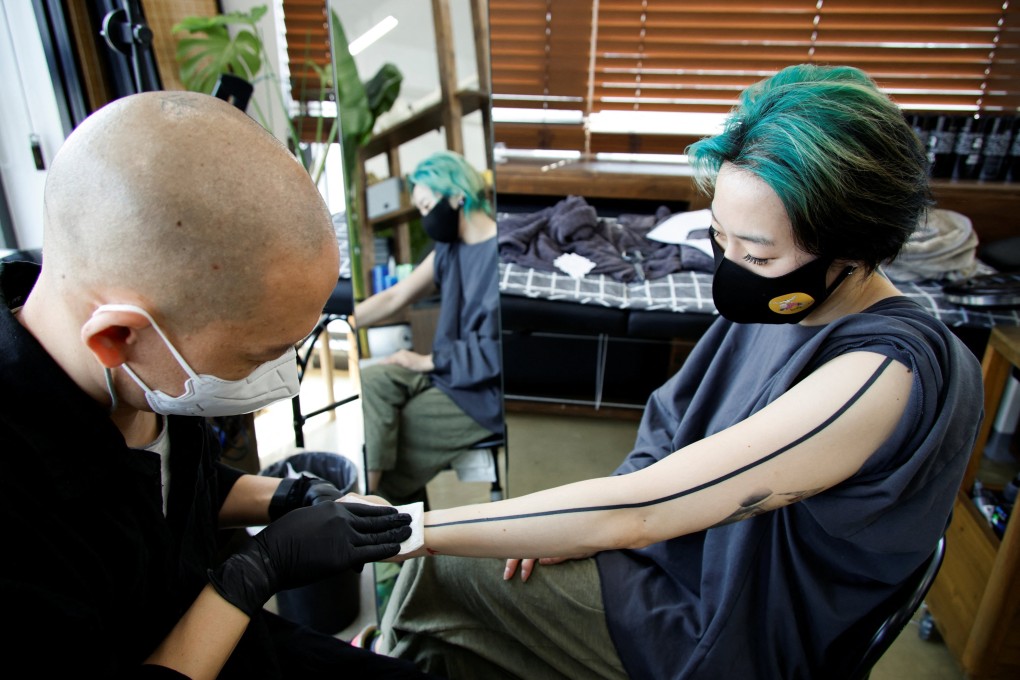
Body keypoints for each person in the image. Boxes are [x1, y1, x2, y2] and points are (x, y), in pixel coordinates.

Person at [375, 64, 985, 679]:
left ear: (852, 250)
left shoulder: (881, 376)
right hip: (668, 557)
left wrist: (411, 528)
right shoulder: (779, 304)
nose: (733, 268)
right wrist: (575, 531)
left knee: (440, 571)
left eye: (758, 254)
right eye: (720, 240)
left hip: (723, 624)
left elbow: (648, 508)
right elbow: (668, 426)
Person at [0, 90, 441, 679]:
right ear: (117, 338)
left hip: (232, 636)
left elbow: (174, 488)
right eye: (259, 355)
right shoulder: (14, 495)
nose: (284, 379)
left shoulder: (151, 372)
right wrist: (257, 570)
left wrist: (289, 497)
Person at [353, 150, 503, 507]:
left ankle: (370, 509)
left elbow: (497, 353)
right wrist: (347, 319)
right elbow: (395, 297)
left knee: (397, 440)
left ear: (456, 196)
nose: (424, 218)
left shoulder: (503, 254)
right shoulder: (448, 250)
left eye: (424, 206)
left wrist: (425, 360)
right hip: (445, 372)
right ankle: (368, 502)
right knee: (373, 379)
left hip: (479, 393)